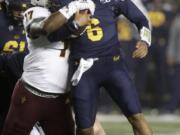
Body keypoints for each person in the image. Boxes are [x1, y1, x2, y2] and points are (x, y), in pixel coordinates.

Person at [38, 0, 153, 135]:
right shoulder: (67, 3)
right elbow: (51, 35)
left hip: (114, 66)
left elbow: (141, 18)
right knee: (84, 129)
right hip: (84, 70)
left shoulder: (111, 2)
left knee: (137, 117)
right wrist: (74, 25)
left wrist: (145, 41)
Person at [1, 0, 95, 134]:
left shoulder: (72, 14)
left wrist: (86, 12)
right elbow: (45, 29)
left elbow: (78, 29)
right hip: (31, 93)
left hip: (60, 97)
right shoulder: (35, 11)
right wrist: (73, 11)